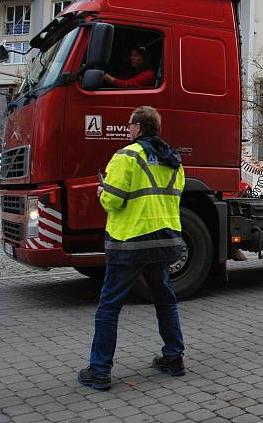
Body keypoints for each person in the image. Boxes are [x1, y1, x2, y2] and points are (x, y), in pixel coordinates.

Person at [78, 106, 186, 390]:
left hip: (131, 242)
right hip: (163, 241)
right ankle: (173, 358)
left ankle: (99, 370)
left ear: (139, 127)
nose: (128, 129)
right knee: (165, 300)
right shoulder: (174, 161)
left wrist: (102, 192)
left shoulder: (127, 156)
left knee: (109, 307)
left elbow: (113, 201)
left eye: (130, 125)